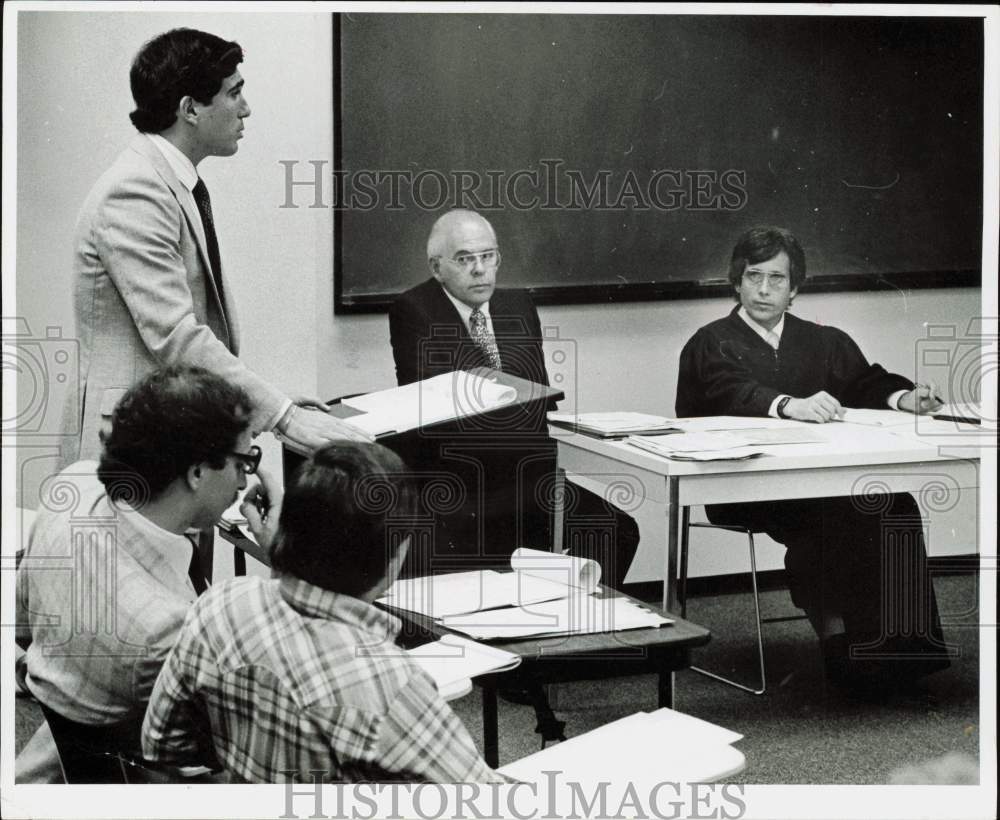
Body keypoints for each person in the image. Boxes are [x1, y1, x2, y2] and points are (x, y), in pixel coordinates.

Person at [61, 27, 366, 468]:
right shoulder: (135, 191)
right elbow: (176, 337)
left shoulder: (170, 182)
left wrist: (264, 401)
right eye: (234, 93)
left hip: (168, 430)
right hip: (131, 446)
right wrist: (282, 415)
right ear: (190, 109)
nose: (246, 109)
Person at [676, 225, 951, 697]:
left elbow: (865, 381)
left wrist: (905, 397)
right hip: (743, 488)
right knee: (838, 516)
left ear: (795, 288)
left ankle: (903, 657)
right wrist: (789, 404)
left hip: (819, 483)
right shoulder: (710, 342)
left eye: (777, 279)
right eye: (753, 276)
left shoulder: (824, 340)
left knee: (891, 503)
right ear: (736, 282)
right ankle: (841, 642)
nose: (763, 289)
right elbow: (732, 392)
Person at [141, 441, 507, 783]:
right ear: (397, 553)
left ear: (290, 529)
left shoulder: (218, 606)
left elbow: (162, 743)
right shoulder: (392, 688)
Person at [16, 365, 280, 781]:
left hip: (57, 757)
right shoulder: (166, 630)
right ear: (196, 472)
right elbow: (265, 738)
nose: (247, 480)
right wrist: (285, 561)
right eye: (244, 462)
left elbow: (23, 627)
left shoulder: (73, 486)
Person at [388, 209, 637, 587]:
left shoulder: (517, 305)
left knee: (617, 529)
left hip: (526, 473)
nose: (479, 270)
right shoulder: (414, 309)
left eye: (488, 257)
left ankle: (578, 636)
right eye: (465, 259)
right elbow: (445, 403)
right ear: (437, 267)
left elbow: (537, 392)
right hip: (461, 481)